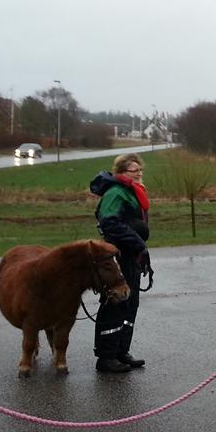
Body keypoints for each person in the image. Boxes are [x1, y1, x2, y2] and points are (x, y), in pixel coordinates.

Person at [89, 153, 152, 373]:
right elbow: (109, 222)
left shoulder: (133, 192)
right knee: (115, 303)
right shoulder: (116, 192)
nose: (139, 173)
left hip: (131, 255)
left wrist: (140, 249)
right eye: (134, 171)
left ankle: (121, 351)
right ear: (122, 173)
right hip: (116, 257)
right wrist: (136, 241)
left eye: (140, 170)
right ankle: (106, 357)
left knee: (130, 303)